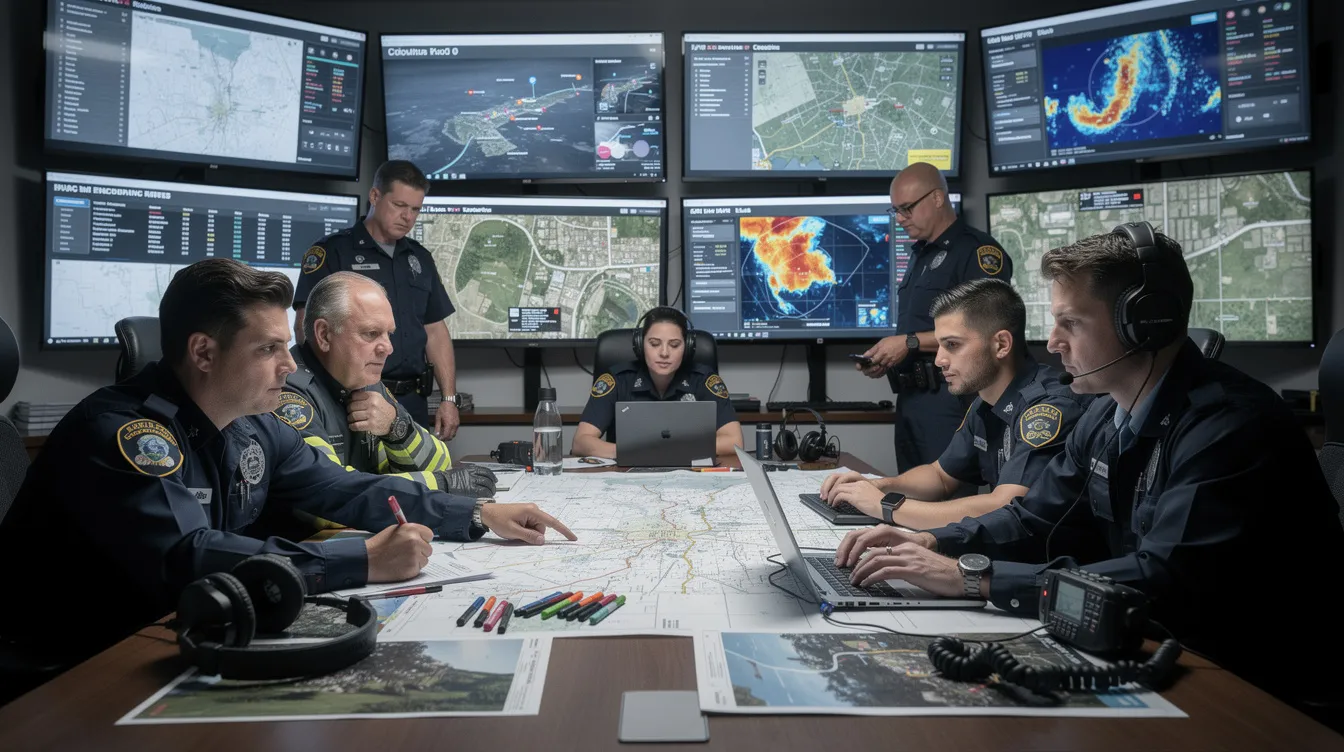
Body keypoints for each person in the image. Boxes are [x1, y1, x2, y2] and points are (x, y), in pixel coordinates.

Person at [831, 223, 1344, 703]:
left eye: (1071, 323)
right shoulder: (1105, 415)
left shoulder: (1230, 427)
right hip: (1167, 656)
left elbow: (1159, 577)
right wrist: (933, 543)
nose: (1053, 342)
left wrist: (970, 578)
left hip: (1262, 690)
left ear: (1146, 322)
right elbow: (1035, 518)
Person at [0, 259, 575, 666]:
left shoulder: (250, 425)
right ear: (203, 352)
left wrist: (477, 514)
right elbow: (187, 553)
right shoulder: (126, 435)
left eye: (285, 345)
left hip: (177, 637)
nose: (288, 364)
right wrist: (360, 560)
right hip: (74, 665)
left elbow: (345, 490)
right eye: (269, 349)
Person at [820, 279, 1091, 528]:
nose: (939, 360)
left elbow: (1005, 505)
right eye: (939, 346)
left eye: (952, 345)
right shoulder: (985, 402)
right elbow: (940, 476)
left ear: (1001, 345)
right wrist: (878, 485)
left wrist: (885, 507)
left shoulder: (1048, 408)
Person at [277, 271, 496, 500]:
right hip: (306, 536)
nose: (387, 348)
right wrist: (441, 485)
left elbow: (441, 462)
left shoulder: (364, 381)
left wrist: (397, 428)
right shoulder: (289, 393)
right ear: (324, 335)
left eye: (388, 334)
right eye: (371, 334)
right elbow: (328, 494)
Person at [860, 162, 1012, 476]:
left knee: (947, 507)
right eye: (895, 211)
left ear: (938, 199)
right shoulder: (921, 255)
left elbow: (988, 328)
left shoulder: (978, 252)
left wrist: (909, 342)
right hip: (911, 400)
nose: (900, 219)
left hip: (951, 401)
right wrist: (891, 356)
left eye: (906, 209)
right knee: (910, 502)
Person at [294, 160, 461, 440]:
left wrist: (448, 398)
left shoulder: (419, 258)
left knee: (417, 476)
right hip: (353, 402)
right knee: (356, 479)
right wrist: (329, 392)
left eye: (415, 209)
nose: (408, 216)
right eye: (399, 205)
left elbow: (435, 331)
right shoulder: (332, 252)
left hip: (412, 403)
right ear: (374, 196)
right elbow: (306, 329)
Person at [574, 307, 743, 459]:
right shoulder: (617, 380)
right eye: (654, 344)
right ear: (640, 345)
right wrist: (630, 451)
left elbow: (734, 441)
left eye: (674, 345)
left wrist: (671, 449)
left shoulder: (704, 380)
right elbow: (581, 442)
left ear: (688, 347)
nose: (664, 353)